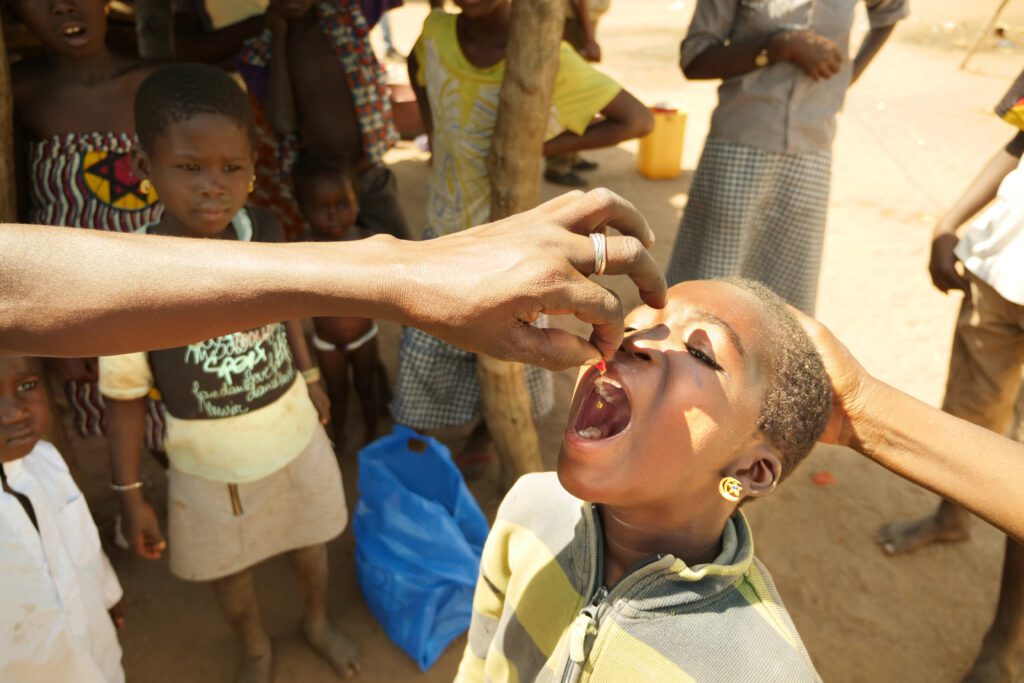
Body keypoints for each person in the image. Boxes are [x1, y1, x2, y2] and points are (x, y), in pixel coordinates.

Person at [99, 64, 352, 682]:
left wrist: (311, 375)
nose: (213, 186)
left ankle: (315, 620)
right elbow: (124, 395)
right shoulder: (130, 273)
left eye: (230, 168)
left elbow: (286, 302)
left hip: (293, 434)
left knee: (309, 542)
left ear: (253, 167)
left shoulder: (261, 231)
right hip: (208, 467)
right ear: (145, 165)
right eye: (189, 167)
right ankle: (256, 646)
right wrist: (130, 494)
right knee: (229, 570)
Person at [456, 278, 831, 682]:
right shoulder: (530, 509)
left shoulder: (762, 672)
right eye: (631, 326)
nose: (629, 342)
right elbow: (480, 662)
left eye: (700, 353)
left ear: (748, 472)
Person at [398, 0, 653, 474]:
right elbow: (417, 69)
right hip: (445, 220)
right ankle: (424, 430)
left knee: (504, 341)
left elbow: (638, 120)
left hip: (510, 236)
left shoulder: (543, 58)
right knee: (433, 324)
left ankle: (486, 429)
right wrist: (436, 133)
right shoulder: (435, 32)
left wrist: (541, 145)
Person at [873, 73, 1024, 682]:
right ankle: (950, 515)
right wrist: (949, 219)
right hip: (1001, 271)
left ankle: (1004, 643)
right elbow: (1019, 140)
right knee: (969, 419)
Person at [665, 0, 908, 313]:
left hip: (812, 148)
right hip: (739, 146)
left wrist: (847, 75)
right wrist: (777, 46)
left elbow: (890, 13)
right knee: (710, 290)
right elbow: (694, 59)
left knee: (787, 299)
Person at [10, 0, 164, 449]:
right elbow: (18, 212)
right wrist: (55, 330)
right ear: (18, 15)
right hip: (84, 307)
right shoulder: (20, 93)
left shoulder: (154, 83)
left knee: (195, 422)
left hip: (168, 291)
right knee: (127, 425)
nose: (63, 6)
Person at [238, 0, 411, 241]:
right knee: (327, 260)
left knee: (399, 253)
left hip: (367, 172)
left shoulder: (350, 13)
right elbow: (282, 122)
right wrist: (279, 39)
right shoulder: (260, 52)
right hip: (318, 186)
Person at [0, 355, 126, 683]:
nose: (14, 411)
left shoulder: (47, 460)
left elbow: (83, 540)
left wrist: (108, 594)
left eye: (26, 386)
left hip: (95, 645)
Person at [292, 152, 387, 446]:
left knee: (366, 387)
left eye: (342, 204)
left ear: (357, 201)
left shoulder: (368, 241)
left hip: (365, 337)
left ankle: (371, 436)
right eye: (321, 208)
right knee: (337, 393)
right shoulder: (302, 249)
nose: (333, 215)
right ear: (304, 211)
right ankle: (340, 439)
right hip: (327, 344)